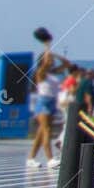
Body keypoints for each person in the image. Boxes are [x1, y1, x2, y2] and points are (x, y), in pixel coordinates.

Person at [26, 28, 74, 169]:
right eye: (50, 60)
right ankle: (50, 159)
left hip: (51, 102)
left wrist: (55, 55)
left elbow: (67, 64)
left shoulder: (52, 73)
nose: (52, 61)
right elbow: (46, 63)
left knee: (42, 133)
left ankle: (31, 158)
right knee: (46, 130)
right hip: (43, 103)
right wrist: (47, 46)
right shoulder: (40, 73)